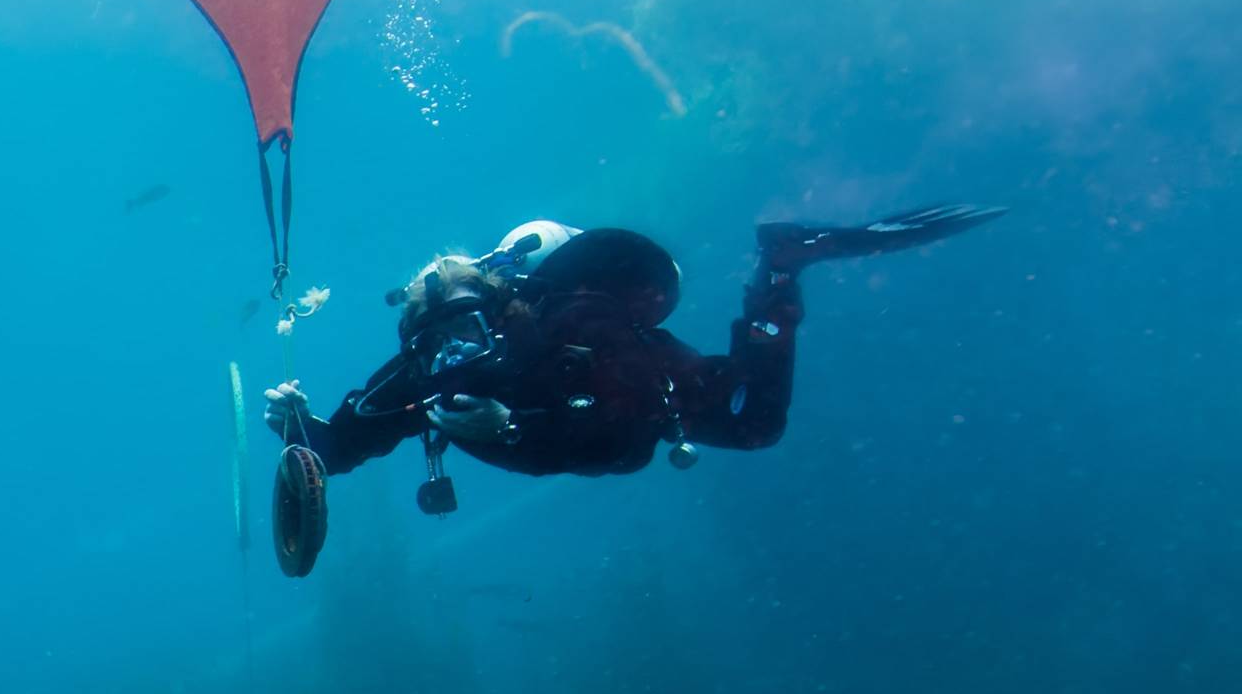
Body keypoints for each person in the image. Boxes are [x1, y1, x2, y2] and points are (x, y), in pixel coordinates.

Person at [262, 206, 1001, 524]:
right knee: (751, 432)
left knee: (751, 428)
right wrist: (297, 425)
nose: (455, 348)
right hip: (589, 418)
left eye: (469, 322)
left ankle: (780, 273)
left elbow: (620, 443)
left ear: (510, 305)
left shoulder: (578, 326)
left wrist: (511, 426)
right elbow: (337, 449)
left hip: (645, 394)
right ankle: (779, 276)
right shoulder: (425, 369)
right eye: (430, 334)